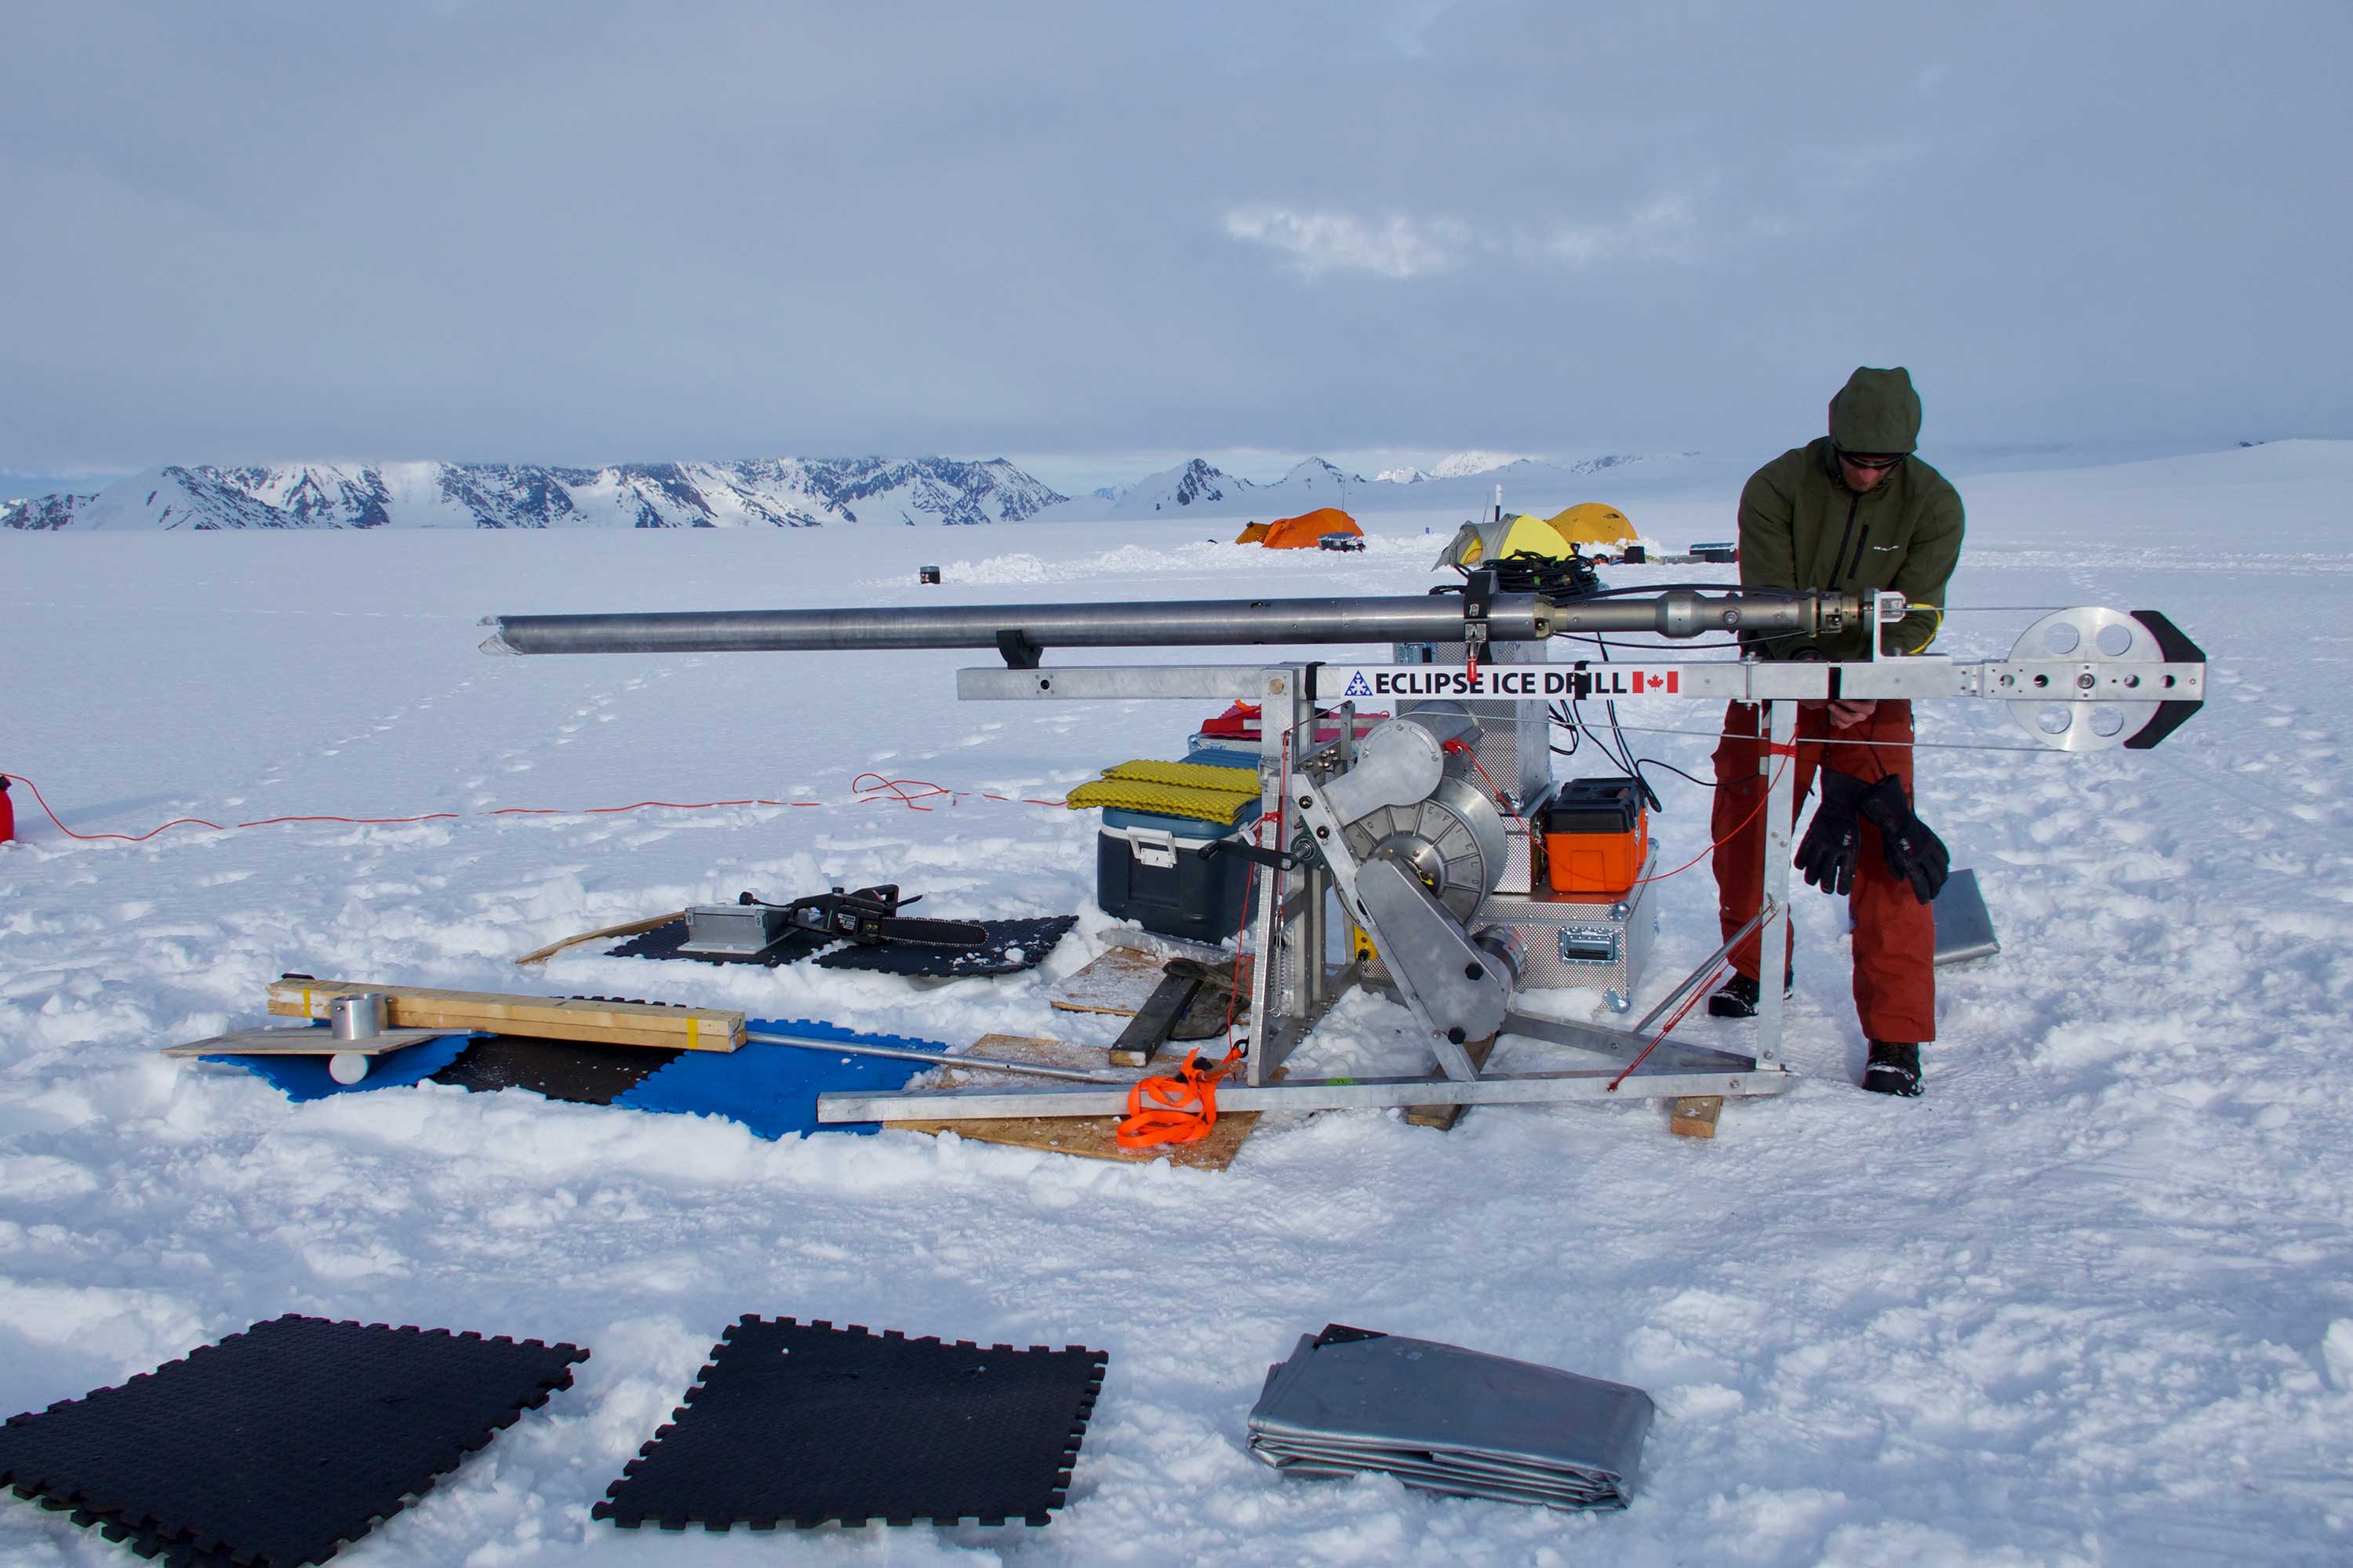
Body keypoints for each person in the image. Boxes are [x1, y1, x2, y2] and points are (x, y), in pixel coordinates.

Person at [1706, 366, 1963, 1097]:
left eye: (1886, 464)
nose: (1870, 473)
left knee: (1888, 855)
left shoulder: (1936, 503)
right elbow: (1766, 601)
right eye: (1858, 459)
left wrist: (1862, 683)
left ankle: (1897, 1033)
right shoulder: (1778, 487)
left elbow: (1919, 616)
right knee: (1746, 830)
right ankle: (1759, 969)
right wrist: (1818, 675)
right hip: (1777, 678)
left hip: (1874, 696)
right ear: (1834, 438)